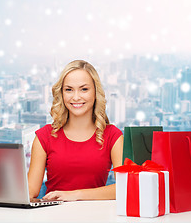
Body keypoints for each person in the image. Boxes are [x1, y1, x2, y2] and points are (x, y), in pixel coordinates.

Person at [28, 60, 123, 201]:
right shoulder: (44, 137)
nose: (76, 97)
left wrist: (76, 195)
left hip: (97, 216)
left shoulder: (112, 136)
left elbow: (124, 187)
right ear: (61, 94)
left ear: (95, 92)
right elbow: (29, 192)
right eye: (69, 90)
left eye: (84, 89)